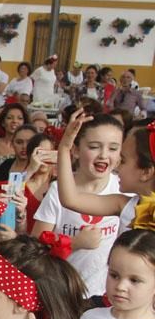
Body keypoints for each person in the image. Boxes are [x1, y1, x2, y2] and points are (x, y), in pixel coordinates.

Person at [31, 114, 122, 298]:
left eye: (113, 148)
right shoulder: (58, 191)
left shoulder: (122, 190)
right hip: (61, 293)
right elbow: (34, 248)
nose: (104, 155)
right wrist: (74, 244)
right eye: (94, 147)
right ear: (76, 150)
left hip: (104, 298)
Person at [55, 110, 154, 236]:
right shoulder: (124, 204)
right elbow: (70, 199)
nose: (117, 167)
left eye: (123, 161)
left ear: (146, 172)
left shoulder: (123, 204)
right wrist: (64, 148)